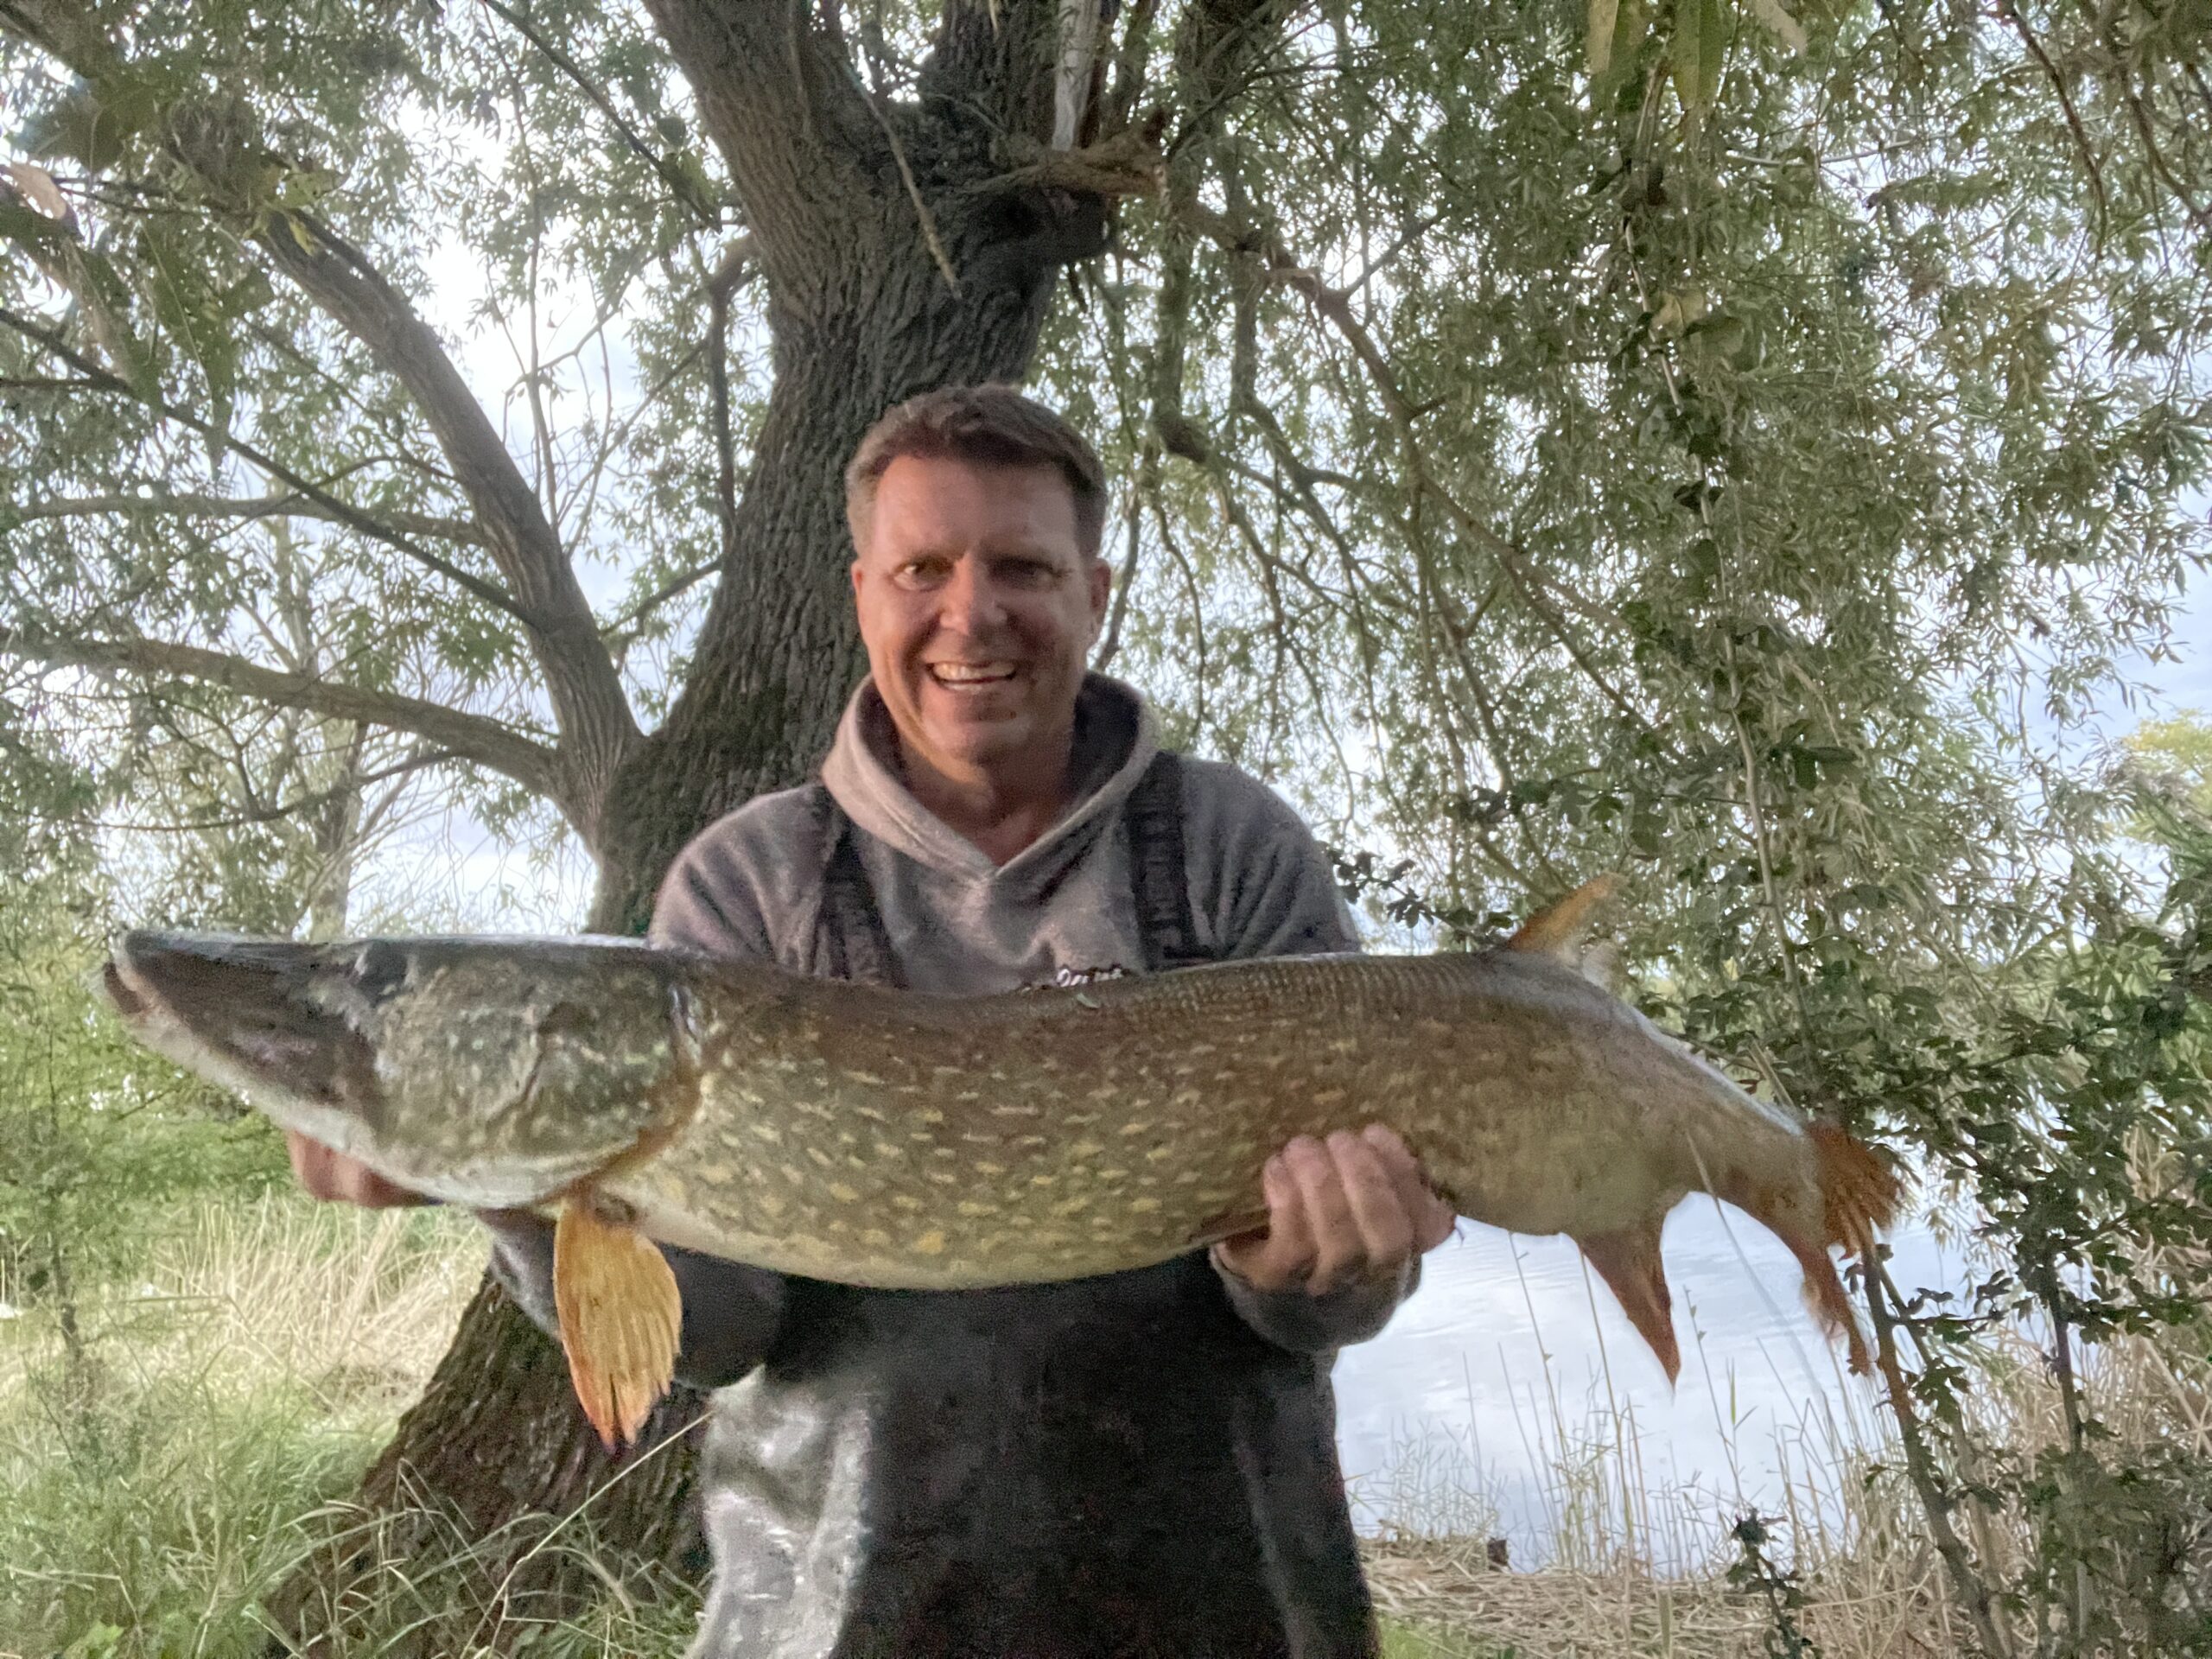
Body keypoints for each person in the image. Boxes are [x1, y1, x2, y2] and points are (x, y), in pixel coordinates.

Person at [288, 385, 1457, 1658]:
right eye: (924, 568)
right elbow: (719, 1337)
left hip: (1223, 1609)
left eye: (1021, 565)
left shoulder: (1229, 852)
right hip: (840, 1616)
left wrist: (1322, 1270)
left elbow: (1326, 1312)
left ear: (1093, 594)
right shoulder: (747, 886)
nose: (973, 612)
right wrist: (509, 1187)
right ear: (862, 596)